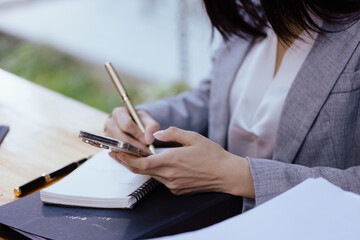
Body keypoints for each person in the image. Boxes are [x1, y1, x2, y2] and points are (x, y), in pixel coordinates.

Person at [105, 0, 360, 211]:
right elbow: (213, 97)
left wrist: (238, 176)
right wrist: (145, 121)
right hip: (210, 217)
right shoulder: (254, 11)